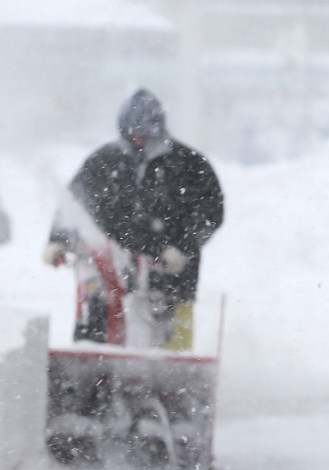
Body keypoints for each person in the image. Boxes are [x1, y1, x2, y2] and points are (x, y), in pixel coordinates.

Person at [43, 88, 224, 351]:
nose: (137, 139)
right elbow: (74, 204)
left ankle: (171, 384)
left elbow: (210, 213)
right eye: (131, 134)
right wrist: (58, 240)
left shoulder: (189, 165)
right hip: (111, 271)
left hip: (172, 278)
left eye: (143, 133)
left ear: (158, 129)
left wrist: (182, 249)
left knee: (172, 350)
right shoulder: (104, 161)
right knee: (96, 333)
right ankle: (93, 376)